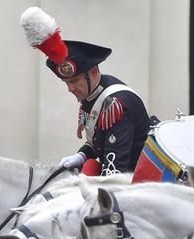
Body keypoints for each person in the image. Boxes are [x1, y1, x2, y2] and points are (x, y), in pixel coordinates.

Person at [20, 7, 151, 175]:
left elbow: (114, 170)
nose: (70, 89)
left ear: (94, 72)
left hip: (136, 181)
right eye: (66, 82)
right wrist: (82, 155)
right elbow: (99, 141)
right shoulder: (94, 93)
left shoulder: (116, 104)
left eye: (74, 81)